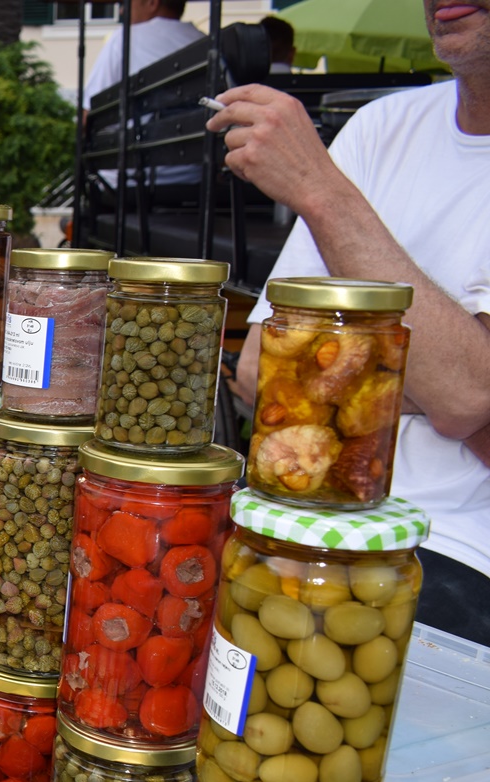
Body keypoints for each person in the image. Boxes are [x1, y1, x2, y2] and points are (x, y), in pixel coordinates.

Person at [209, 0, 490, 646]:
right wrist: (439, 373)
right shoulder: (382, 128)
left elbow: (465, 395)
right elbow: (258, 369)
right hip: (292, 518)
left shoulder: (340, 164)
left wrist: (322, 194)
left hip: (451, 552)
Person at [83, 0, 204, 101]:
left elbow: (89, 111)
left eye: (127, 3)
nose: (122, 11)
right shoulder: (205, 41)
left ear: (152, 3)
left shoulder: (125, 38)